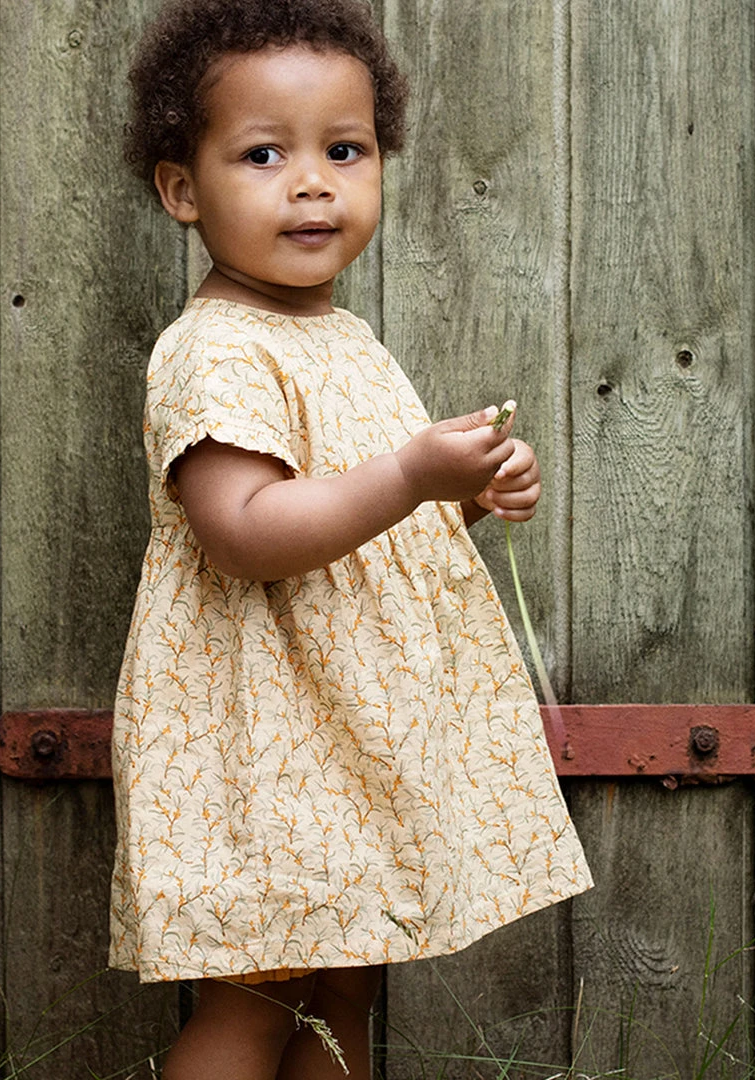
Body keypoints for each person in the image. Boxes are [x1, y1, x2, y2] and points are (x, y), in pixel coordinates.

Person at [108, 2, 592, 1077]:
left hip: (349, 735)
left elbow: (350, 523)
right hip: (266, 735)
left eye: (344, 150)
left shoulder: (345, 339)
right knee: (257, 999)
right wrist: (411, 475)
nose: (312, 183)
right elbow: (245, 532)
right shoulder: (216, 350)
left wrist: (458, 496)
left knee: (346, 990)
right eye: (263, 154)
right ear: (183, 189)